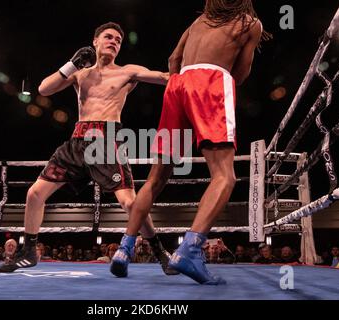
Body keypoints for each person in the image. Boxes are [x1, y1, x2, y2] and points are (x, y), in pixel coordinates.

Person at [0, 22, 175, 274]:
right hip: (76, 142)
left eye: (118, 40)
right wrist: (72, 63)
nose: (113, 41)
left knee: (130, 203)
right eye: (108, 37)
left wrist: (197, 69)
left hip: (106, 142)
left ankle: (161, 253)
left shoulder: (127, 71)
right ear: (95, 41)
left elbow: (165, 78)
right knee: (35, 194)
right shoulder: (80, 74)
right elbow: (43, 89)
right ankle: (28, 253)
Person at [111, 0, 271, 284]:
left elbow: (173, 60)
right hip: (211, 82)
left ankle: (124, 249)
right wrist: (213, 89)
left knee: (156, 179)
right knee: (224, 175)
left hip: (178, 85)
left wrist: (182, 90)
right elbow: (242, 73)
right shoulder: (249, 23)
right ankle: (190, 249)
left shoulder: (199, 21)